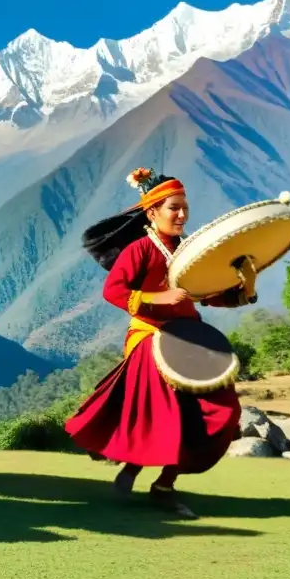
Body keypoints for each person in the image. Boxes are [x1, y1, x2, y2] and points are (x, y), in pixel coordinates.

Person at [65, 167, 254, 518]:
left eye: (185, 207)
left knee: (224, 411)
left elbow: (208, 295)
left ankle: (164, 484)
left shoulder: (189, 250)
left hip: (192, 340)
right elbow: (114, 291)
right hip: (150, 339)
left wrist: (245, 290)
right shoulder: (139, 250)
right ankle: (136, 466)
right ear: (152, 212)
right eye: (174, 208)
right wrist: (158, 297)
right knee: (167, 414)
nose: (182, 214)